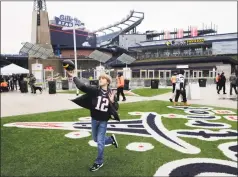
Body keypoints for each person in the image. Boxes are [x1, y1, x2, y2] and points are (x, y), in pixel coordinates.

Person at [67, 70, 120, 172]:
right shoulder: (95, 90)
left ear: (108, 81)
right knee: (95, 139)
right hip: (94, 119)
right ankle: (111, 140)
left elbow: (116, 108)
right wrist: (74, 77)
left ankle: (99, 162)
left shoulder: (111, 93)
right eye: (100, 78)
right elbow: (82, 87)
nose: (100, 79)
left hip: (103, 121)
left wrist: (113, 101)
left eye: (103, 78)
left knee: (100, 142)